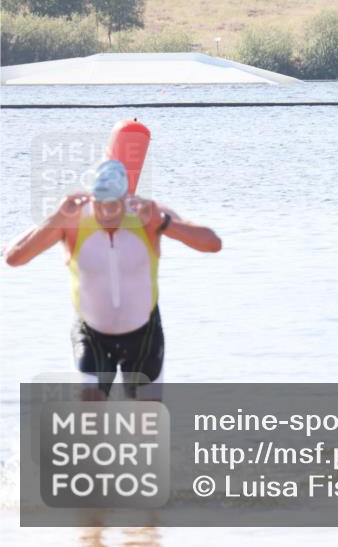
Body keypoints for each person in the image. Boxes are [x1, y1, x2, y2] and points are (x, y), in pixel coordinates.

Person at [3, 159, 222, 399]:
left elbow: (212, 243)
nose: (107, 212)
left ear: (125, 198)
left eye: (114, 205)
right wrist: (56, 217)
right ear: (92, 198)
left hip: (144, 336)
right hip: (92, 335)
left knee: (147, 419)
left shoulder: (148, 215)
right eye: (100, 204)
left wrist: (165, 223)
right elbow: (14, 258)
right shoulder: (72, 220)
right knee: (89, 412)